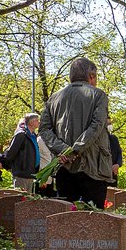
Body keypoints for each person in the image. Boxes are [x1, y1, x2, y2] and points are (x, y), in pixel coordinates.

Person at [39, 56, 115, 207]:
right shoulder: (99, 95)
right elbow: (97, 126)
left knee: (65, 218)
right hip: (93, 166)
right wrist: (74, 150)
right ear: (91, 76)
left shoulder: (54, 98)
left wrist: (63, 151)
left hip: (64, 166)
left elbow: (44, 129)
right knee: (94, 218)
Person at [2, 114, 43, 191]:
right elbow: (11, 153)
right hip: (22, 174)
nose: (39, 122)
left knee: (28, 200)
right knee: (21, 199)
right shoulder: (21, 135)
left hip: (30, 173)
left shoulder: (33, 135)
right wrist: (15, 168)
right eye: (37, 120)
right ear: (31, 123)